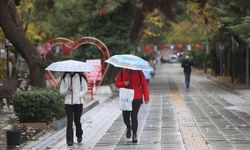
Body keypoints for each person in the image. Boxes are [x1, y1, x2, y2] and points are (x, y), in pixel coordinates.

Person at [115, 68, 149, 143]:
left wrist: (146, 97)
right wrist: (124, 83)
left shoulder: (139, 72)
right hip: (126, 98)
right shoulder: (122, 71)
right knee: (125, 117)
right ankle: (128, 127)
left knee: (134, 116)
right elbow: (117, 84)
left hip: (136, 97)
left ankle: (134, 135)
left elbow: (144, 84)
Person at [60, 72, 88, 146]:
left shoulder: (81, 77)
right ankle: (69, 140)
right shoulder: (64, 78)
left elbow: (85, 89)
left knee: (77, 121)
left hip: (78, 103)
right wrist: (67, 89)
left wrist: (78, 95)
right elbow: (61, 92)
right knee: (69, 122)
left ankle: (79, 135)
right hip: (68, 104)